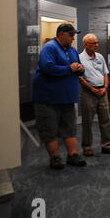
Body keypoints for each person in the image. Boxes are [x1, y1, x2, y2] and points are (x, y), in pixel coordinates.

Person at [32, 23, 87, 169]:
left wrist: (80, 68)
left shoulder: (72, 50)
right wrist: (69, 68)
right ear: (61, 34)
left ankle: (73, 155)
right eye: (71, 35)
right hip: (48, 98)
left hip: (67, 98)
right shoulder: (49, 48)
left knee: (69, 127)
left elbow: (80, 69)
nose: (73, 38)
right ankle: (55, 157)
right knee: (49, 129)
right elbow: (47, 67)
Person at [79, 33, 110, 156]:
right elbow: (80, 78)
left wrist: (105, 87)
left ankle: (106, 145)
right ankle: (87, 147)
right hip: (88, 93)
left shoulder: (100, 57)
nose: (96, 45)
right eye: (93, 43)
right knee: (87, 121)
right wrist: (93, 89)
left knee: (105, 120)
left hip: (102, 92)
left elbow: (105, 74)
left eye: (97, 42)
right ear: (86, 44)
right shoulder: (79, 58)